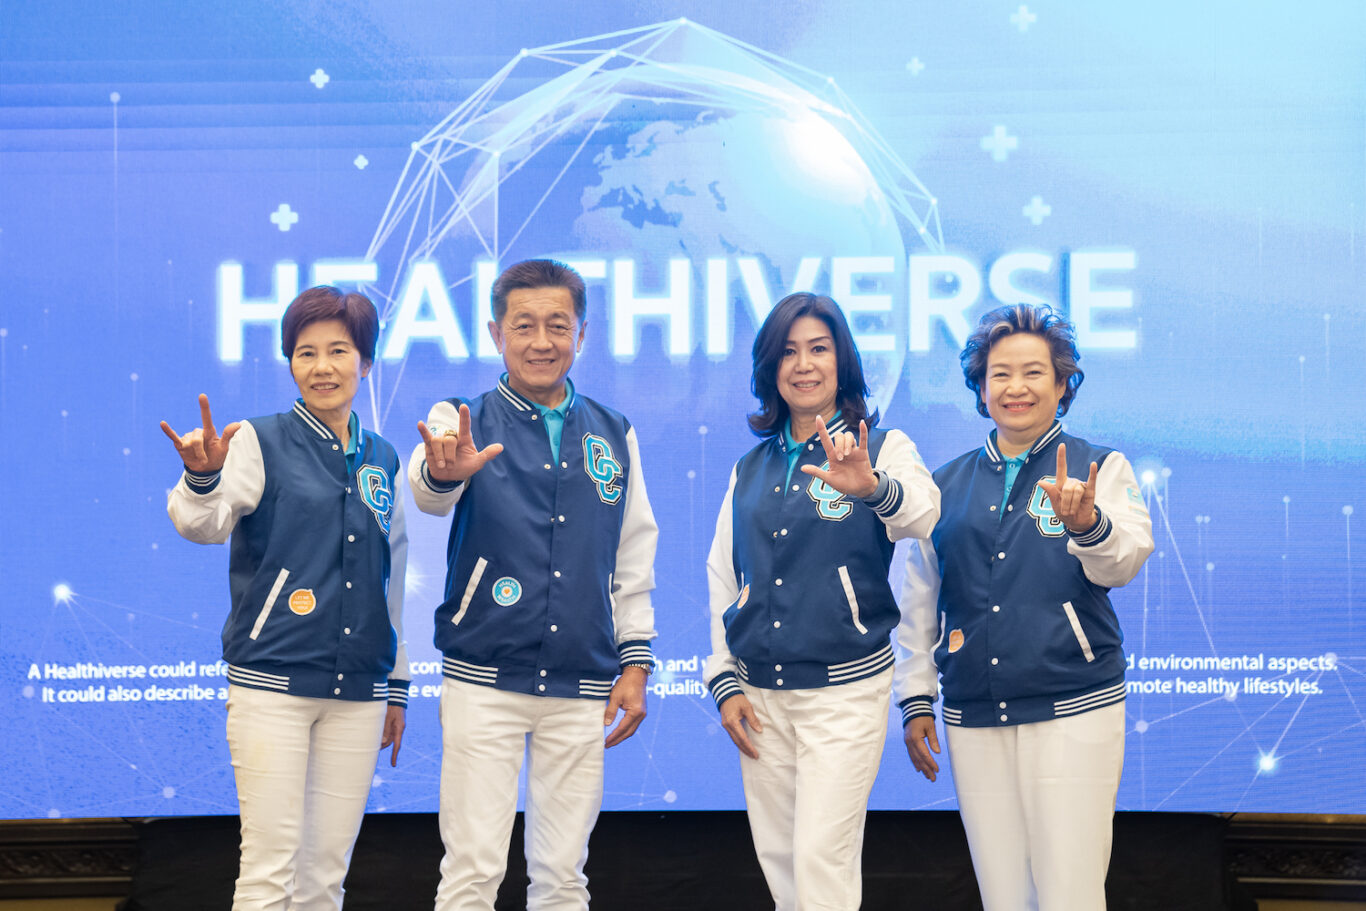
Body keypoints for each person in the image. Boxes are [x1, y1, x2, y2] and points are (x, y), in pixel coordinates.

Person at [409, 259, 659, 911]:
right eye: (524, 325)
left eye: (558, 324)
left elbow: (633, 553)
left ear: (582, 334)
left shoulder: (614, 431)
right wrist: (443, 473)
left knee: (563, 877)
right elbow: (428, 491)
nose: (541, 341)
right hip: (483, 677)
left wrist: (635, 661)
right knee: (472, 872)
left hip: (581, 681)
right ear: (497, 333)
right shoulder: (459, 417)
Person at [894, 304, 1154, 911]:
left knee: (1070, 892)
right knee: (1003, 894)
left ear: (1062, 384)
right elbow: (919, 603)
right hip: (972, 713)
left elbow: (1125, 561)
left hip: (1074, 705)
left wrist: (1087, 524)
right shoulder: (943, 484)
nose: (1016, 387)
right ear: (981, 388)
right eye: (1000, 374)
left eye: (1034, 372)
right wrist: (916, 698)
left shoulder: (1101, 466)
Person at [162, 286, 409, 911]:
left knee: (324, 876)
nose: (322, 366)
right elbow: (204, 524)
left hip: (359, 692)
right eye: (306, 353)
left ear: (365, 362)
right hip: (272, 684)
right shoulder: (257, 440)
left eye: (339, 351)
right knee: (268, 871)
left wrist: (396, 684)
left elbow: (389, 575)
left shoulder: (382, 456)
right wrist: (201, 477)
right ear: (290, 363)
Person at [703, 292, 940, 910]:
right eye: (788, 352)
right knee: (781, 862)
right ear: (770, 368)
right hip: (758, 694)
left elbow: (922, 515)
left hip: (844, 692)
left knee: (819, 860)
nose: (804, 365)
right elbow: (723, 575)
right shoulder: (749, 466)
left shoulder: (882, 446)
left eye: (818, 349)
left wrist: (872, 487)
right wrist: (723, 680)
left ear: (843, 361)